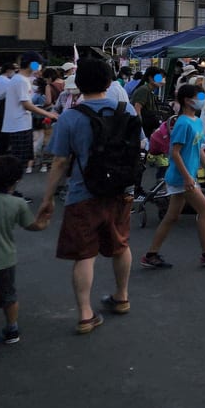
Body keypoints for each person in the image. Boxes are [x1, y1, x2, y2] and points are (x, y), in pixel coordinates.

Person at [37, 59, 136, 335]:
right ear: (109, 82)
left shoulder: (71, 116)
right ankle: (122, 296)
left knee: (85, 254)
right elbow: (136, 147)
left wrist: (47, 198)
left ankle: (85, 314)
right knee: (121, 245)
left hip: (83, 193)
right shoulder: (125, 109)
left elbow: (59, 161)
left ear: (78, 85)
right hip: (120, 190)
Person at [139, 83, 205, 270]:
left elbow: (199, 149)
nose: (202, 101)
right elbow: (175, 153)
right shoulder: (182, 123)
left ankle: (151, 254)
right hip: (182, 177)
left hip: (186, 176)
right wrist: (188, 177)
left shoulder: (196, 121)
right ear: (188, 100)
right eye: (200, 97)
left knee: (172, 217)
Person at [0, 155, 49, 357]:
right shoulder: (17, 204)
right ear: (16, 181)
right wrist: (45, 217)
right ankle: (11, 328)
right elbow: (34, 226)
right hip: (5, 260)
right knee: (9, 297)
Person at [1, 55, 59, 174]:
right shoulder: (21, 80)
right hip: (19, 125)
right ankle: (9, 189)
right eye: (39, 64)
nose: (40, 67)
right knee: (17, 163)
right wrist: (49, 114)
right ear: (32, 64)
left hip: (20, 124)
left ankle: (11, 189)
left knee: (19, 161)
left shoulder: (21, 79)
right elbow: (26, 104)